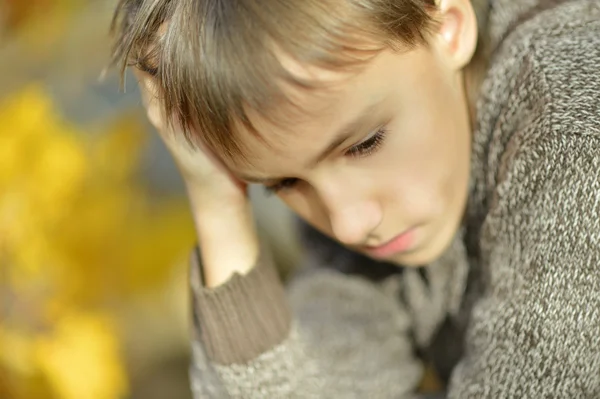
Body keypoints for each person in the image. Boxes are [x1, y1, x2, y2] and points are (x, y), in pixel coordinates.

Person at [111, 0, 600, 397]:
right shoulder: (370, 224)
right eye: (284, 185)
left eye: (365, 144)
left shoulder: (573, 124)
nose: (346, 224)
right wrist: (218, 203)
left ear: (446, 26)